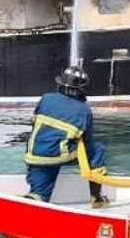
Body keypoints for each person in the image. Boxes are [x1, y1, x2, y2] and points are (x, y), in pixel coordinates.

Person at [23, 64, 109, 207]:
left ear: (61, 84)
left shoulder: (45, 98)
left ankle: (31, 199)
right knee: (97, 149)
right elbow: (87, 142)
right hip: (59, 154)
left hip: (35, 154)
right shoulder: (84, 110)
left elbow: (33, 123)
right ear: (81, 88)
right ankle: (96, 198)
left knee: (39, 194)